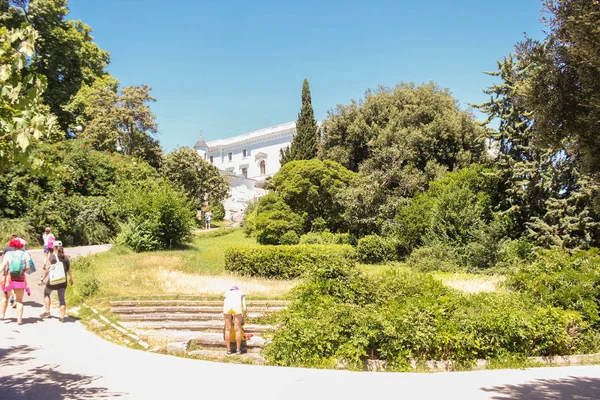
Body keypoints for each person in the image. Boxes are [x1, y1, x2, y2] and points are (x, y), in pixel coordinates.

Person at [39, 241, 73, 323]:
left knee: (46, 293)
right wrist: (71, 279)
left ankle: (47, 312)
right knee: (61, 298)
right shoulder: (66, 257)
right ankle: (62, 317)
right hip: (63, 281)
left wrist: (43, 278)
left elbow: (48, 269)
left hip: (53, 281)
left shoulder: (52, 257)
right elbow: (69, 270)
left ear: (54, 247)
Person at [0, 238, 31, 324]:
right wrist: (22, 272)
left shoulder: (8, 254)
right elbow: (28, 267)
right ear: (22, 245)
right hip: (20, 279)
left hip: (9, 278)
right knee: (19, 300)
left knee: (5, 297)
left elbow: (3, 265)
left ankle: (2, 315)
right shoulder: (25, 253)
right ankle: (19, 320)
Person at [223, 286, 246, 355]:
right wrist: (242, 318)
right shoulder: (241, 293)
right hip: (237, 308)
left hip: (227, 308)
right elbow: (244, 309)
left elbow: (223, 307)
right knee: (237, 329)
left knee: (227, 329)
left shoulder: (226, 293)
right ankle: (238, 350)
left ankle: (228, 350)